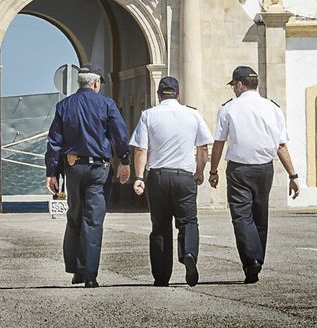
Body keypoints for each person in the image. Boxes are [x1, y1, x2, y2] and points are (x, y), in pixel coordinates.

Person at [209, 65, 299, 284]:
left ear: (239, 85)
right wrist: (293, 175)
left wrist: (213, 171)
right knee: (260, 217)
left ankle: (252, 260)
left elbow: (219, 143)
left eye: (233, 86)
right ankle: (256, 261)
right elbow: (281, 146)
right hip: (264, 169)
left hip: (239, 169)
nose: (233, 90)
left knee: (241, 216)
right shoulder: (273, 108)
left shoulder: (228, 109)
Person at [44, 63, 130, 288]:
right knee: (93, 221)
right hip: (98, 169)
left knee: (74, 217)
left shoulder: (64, 106)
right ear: (95, 83)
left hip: (73, 169)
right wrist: (124, 160)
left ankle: (76, 270)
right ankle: (89, 274)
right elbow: (120, 135)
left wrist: (51, 172)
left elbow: (54, 141)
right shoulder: (106, 104)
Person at [130, 75, 212, 287]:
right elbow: (203, 148)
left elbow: (141, 149)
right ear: (178, 93)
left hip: (158, 176)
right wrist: (200, 171)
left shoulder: (148, 115)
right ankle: (189, 254)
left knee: (160, 227)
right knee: (188, 221)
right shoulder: (193, 115)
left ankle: (161, 276)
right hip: (185, 176)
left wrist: (139, 177)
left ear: (159, 95)